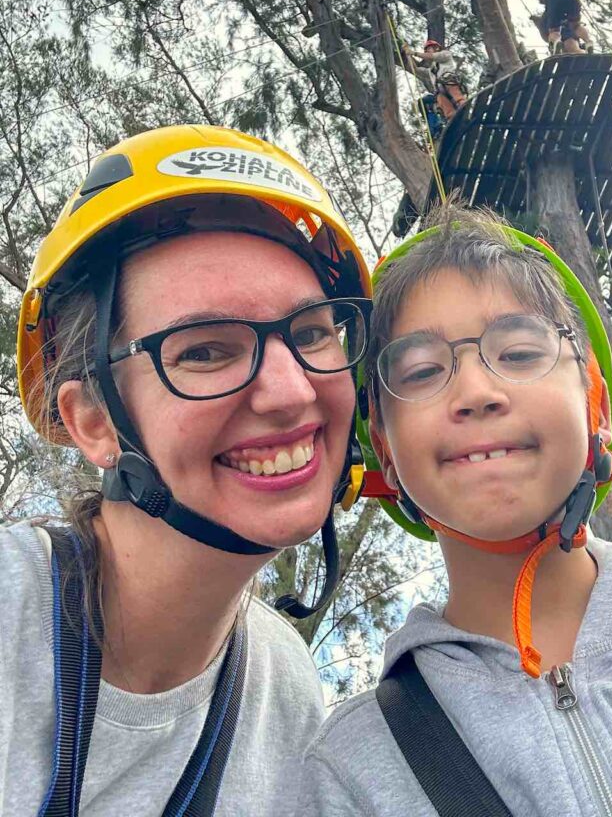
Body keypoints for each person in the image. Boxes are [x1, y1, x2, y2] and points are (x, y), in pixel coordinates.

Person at [297, 201, 612, 815]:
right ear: (383, 450)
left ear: (595, 402)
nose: (475, 392)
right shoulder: (353, 769)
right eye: (419, 371)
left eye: (519, 353)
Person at [3, 124, 373, 815]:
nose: (294, 391)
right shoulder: (10, 615)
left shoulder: (285, 688)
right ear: (94, 422)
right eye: (205, 352)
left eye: (315, 332)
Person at [406, 39, 467, 120]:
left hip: (449, 81)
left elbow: (432, 56)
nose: (427, 52)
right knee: (444, 105)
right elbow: (415, 69)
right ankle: (451, 119)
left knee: (457, 96)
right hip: (439, 91)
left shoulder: (445, 54)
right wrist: (408, 55)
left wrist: (414, 53)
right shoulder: (431, 70)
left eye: (429, 49)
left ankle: (463, 106)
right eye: (426, 50)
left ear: (436, 48)